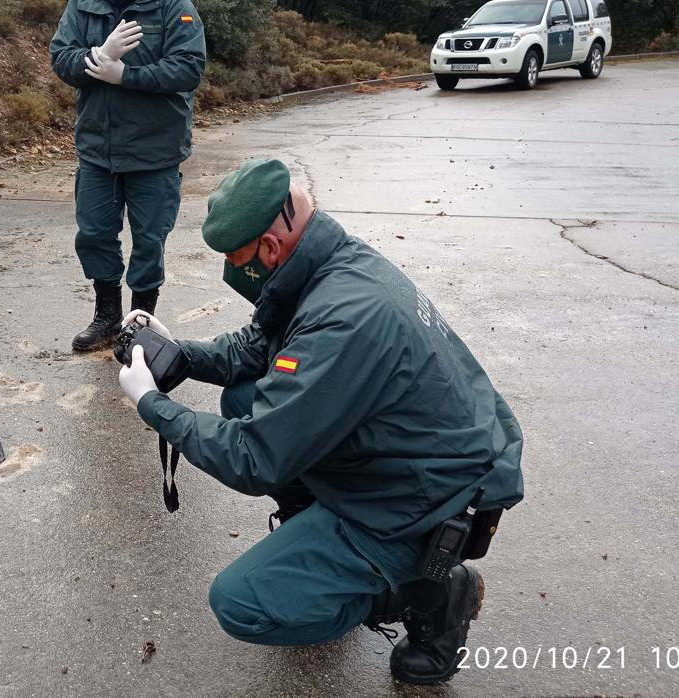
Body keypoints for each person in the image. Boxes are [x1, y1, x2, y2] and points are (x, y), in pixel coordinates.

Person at [115, 159, 525, 684]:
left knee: (241, 603)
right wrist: (177, 354)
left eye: (233, 258)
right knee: (245, 397)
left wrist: (154, 404)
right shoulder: (325, 263)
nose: (230, 270)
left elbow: (253, 457)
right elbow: (253, 348)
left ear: (268, 247)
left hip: (426, 501)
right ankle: (324, 536)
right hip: (414, 456)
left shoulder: (345, 315)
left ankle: (429, 593)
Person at [50, 0, 206, 351]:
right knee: (94, 234)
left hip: (155, 150)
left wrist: (124, 75)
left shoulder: (174, 7)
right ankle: (107, 318)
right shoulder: (83, 5)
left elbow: (188, 68)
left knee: (150, 241)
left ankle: (139, 325)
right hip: (97, 147)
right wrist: (96, 56)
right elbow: (61, 57)